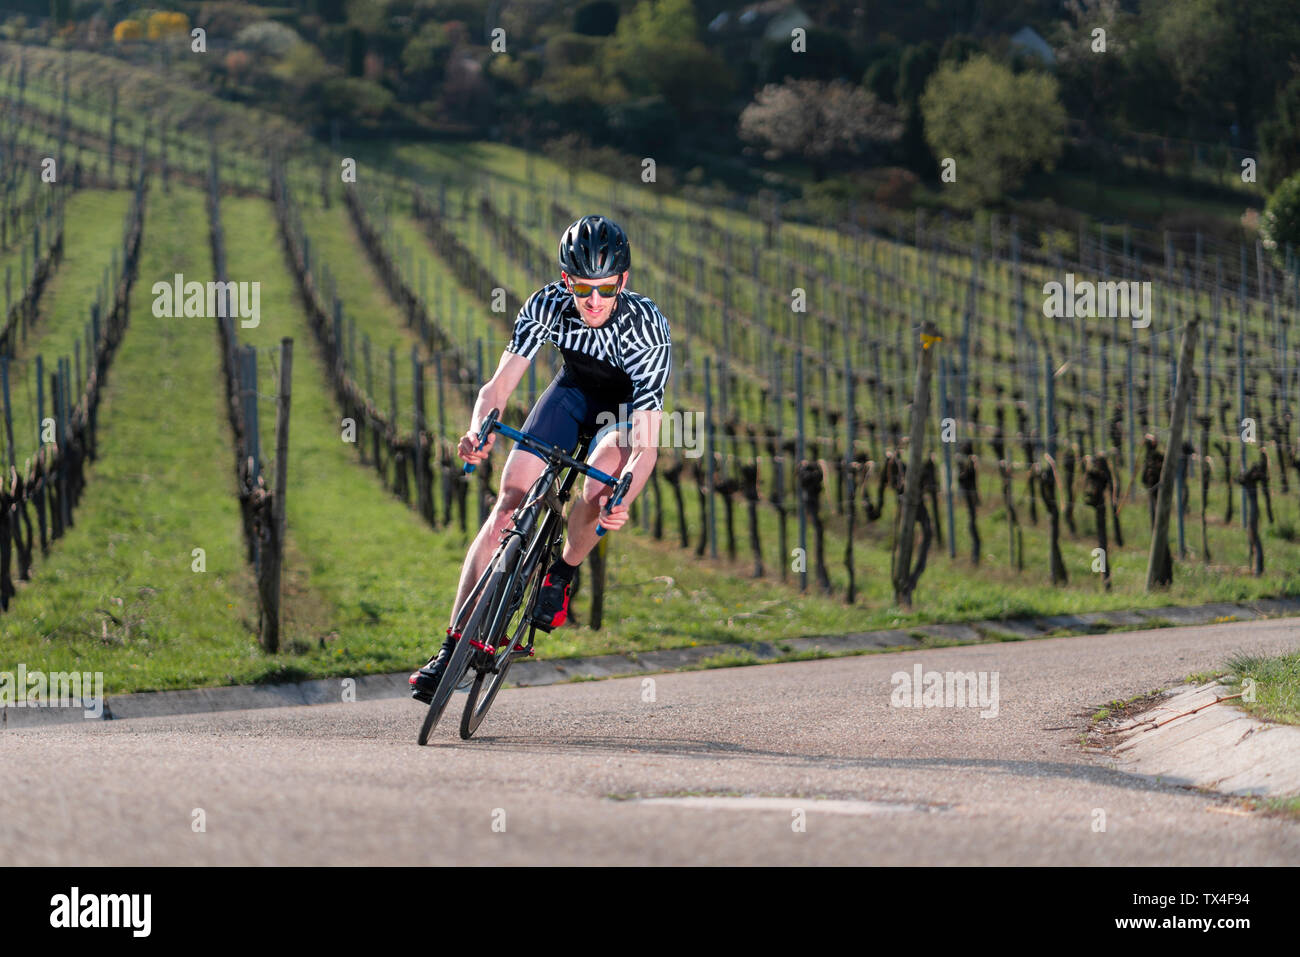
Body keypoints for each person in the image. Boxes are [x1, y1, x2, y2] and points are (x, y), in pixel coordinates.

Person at [410, 215, 672, 702]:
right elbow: (497, 388)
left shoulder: (646, 328)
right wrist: (476, 430)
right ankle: (450, 649)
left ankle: (564, 569)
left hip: (621, 414)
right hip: (572, 394)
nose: (594, 301)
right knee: (504, 511)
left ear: (624, 282)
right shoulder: (547, 304)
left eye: (607, 289)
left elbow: (646, 442)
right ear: (564, 280)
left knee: (598, 491)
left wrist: (624, 493)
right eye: (582, 287)